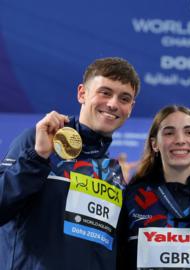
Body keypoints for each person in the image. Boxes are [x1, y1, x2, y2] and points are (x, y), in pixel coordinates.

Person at [0, 57, 140, 270]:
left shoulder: (112, 172)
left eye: (124, 98)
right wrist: (37, 158)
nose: (113, 104)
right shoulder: (39, 141)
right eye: (105, 92)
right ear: (82, 93)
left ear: (130, 107)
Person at [117, 105, 190, 269]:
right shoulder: (130, 198)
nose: (180, 140)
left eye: (189, 132)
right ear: (155, 144)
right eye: (169, 133)